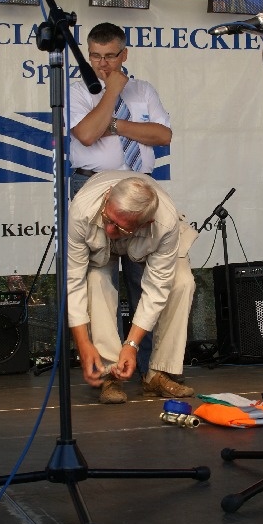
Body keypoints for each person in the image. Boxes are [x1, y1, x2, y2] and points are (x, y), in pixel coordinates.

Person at [68, 22, 174, 375]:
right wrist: (111, 91)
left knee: (145, 280)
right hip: (95, 188)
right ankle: (109, 369)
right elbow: (86, 134)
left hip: (140, 190)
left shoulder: (144, 90)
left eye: (110, 56)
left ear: (124, 54)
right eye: (95, 56)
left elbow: (162, 135)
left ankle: (149, 369)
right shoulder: (78, 91)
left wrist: (112, 125)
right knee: (100, 281)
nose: (102, 64)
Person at [67, 171, 197, 404]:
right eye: (109, 220)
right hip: (99, 244)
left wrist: (131, 345)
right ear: (107, 197)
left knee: (182, 282)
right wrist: (83, 344)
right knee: (96, 280)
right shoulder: (81, 210)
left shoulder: (164, 223)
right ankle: (110, 374)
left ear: (146, 223)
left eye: (120, 228)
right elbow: (73, 281)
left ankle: (158, 373)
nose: (110, 231)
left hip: (148, 238)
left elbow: (156, 289)